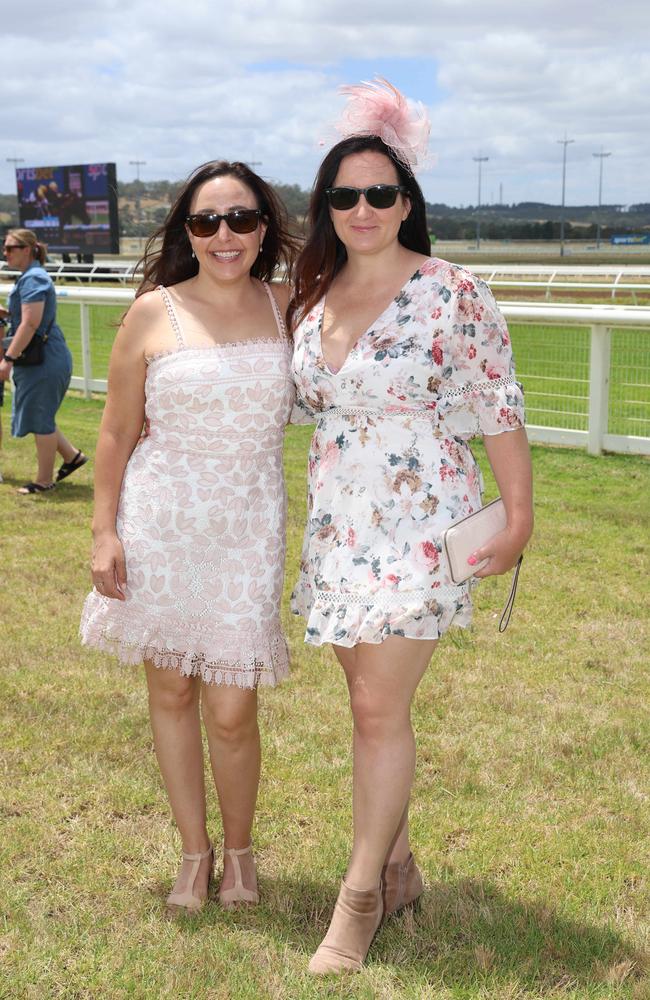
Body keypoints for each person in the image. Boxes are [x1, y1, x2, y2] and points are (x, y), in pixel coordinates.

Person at [288, 79, 533, 974]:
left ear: (407, 203)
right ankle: (396, 864)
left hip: (422, 519)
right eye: (344, 195)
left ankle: (357, 904)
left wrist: (521, 515)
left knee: (376, 706)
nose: (362, 209)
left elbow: (498, 405)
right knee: (366, 706)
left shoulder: (453, 292)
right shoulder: (311, 295)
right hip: (338, 523)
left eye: (380, 193)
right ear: (326, 207)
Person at [80, 160, 298, 914]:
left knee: (233, 708)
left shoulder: (289, 305)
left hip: (247, 527)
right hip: (160, 524)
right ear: (187, 233)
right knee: (171, 688)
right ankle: (194, 853)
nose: (224, 235)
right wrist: (105, 531)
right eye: (206, 222)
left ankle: (241, 854)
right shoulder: (153, 312)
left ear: (264, 229)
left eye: (240, 219)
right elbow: (114, 433)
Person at [0, 229, 88, 494]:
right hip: (44, 357)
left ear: (27, 249)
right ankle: (72, 457)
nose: (5, 253)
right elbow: (27, 318)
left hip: (44, 360)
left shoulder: (33, 278)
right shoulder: (30, 277)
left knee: (41, 418)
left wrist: (7, 359)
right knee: (41, 413)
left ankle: (43, 480)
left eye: (10, 248)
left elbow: (30, 324)